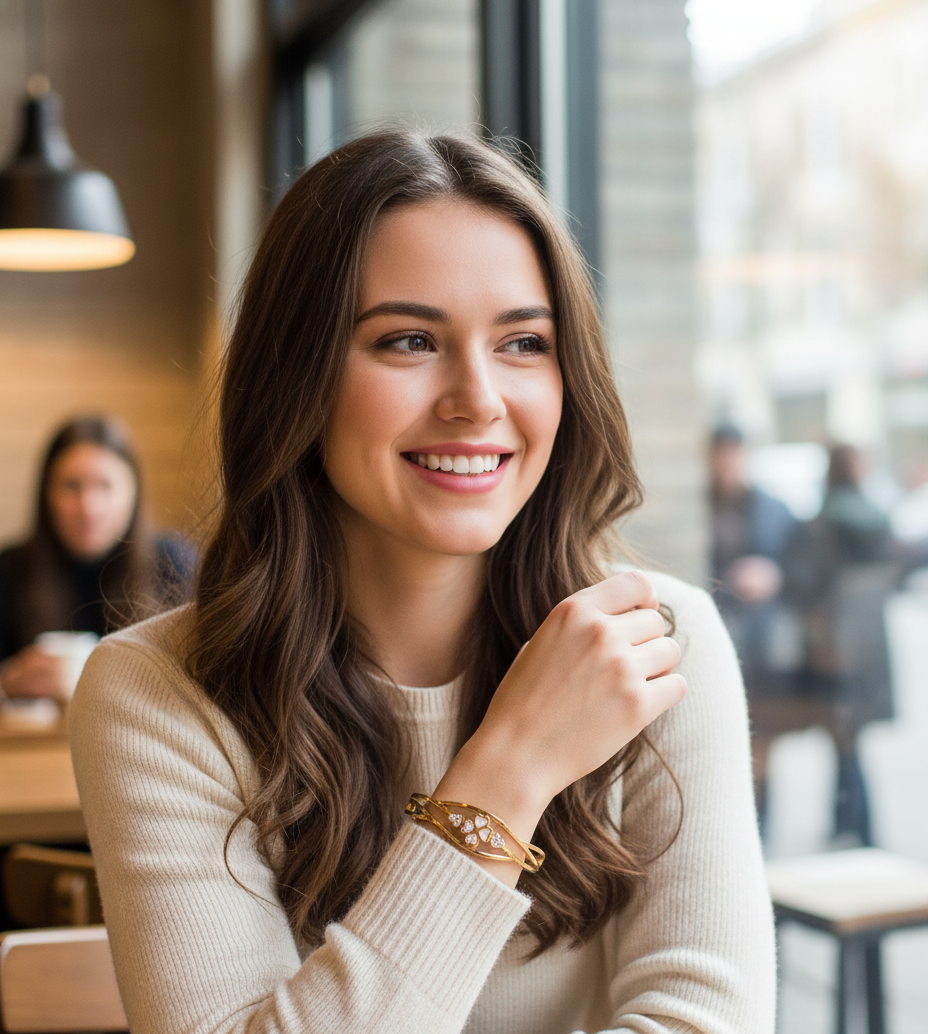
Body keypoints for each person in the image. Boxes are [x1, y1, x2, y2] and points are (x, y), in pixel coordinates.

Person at [70, 131, 776, 1034]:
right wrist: (509, 768)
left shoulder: (659, 645)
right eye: (408, 340)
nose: (477, 398)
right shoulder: (155, 694)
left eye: (524, 342)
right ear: (300, 374)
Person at [0, 416, 196, 700]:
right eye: (71, 486)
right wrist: (7, 683)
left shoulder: (175, 563)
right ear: (46, 494)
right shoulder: (10, 569)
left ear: (133, 492)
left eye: (105, 486)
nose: (88, 507)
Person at [786, 443, 899, 847]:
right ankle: (853, 825)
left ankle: (851, 826)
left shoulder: (823, 522)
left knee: (843, 739)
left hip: (833, 648)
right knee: (850, 740)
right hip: (868, 647)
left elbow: (803, 585)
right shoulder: (877, 516)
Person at [708, 424, 799, 836]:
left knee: (764, 733)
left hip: (764, 643)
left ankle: (765, 824)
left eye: (733, 453)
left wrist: (773, 574)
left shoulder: (772, 507)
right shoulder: (699, 506)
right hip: (718, 631)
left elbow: (803, 565)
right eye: (720, 453)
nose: (727, 462)